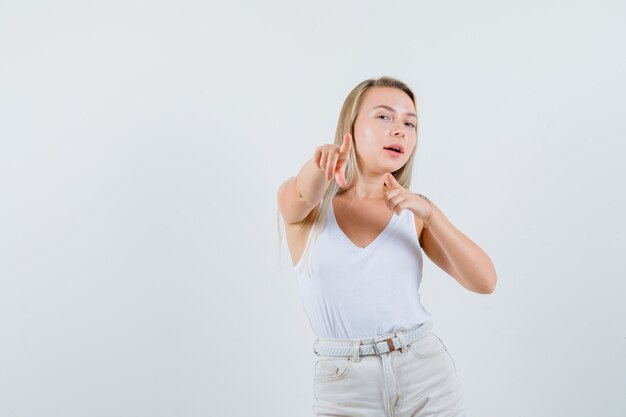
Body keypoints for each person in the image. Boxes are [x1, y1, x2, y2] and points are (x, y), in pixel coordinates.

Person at [276, 76, 497, 417]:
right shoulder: (308, 212)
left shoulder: (414, 212)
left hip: (425, 375)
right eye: (384, 116)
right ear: (350, 126)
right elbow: (302, 195)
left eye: (410, 123)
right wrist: (320, 164)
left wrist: (432, 214)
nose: (400, 130)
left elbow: (484, 282)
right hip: (345, 385)